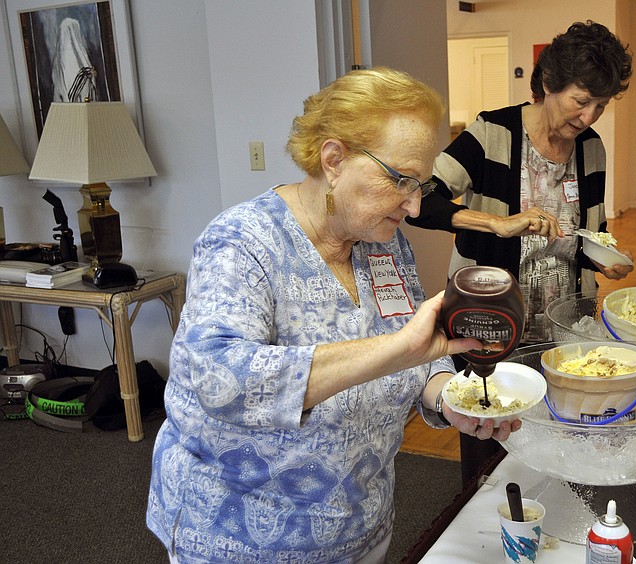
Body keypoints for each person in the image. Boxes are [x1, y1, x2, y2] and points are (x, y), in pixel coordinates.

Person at [146, 67, 521, 563]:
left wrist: (448, 398)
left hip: (359, 527)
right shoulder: (242, 242)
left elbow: (419, 348)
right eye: (400, 180)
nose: (414, 206)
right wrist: (394, 350)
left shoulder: (384, 244)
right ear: (334, 159)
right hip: (239, 541)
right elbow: (221, 381)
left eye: (422, 184)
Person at [407, 21, 635, 483]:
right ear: (549, 83)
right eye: (581, 100)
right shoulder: (493, 132)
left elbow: (593, 230)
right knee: (488, 442)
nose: (589, 117)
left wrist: (604, 258)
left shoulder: (591, 149)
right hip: (489, 321)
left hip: (562, 328)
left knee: (558, 450)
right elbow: (417, 201)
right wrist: (494, 222)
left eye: (601, 106)